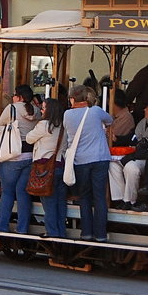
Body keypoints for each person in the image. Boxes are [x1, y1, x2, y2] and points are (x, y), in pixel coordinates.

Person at [63, 84, 114, 241]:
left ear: (72, 99)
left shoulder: (67, 115)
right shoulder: (95, 111)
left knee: (84, 197)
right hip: (99, 158)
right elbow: (110, 120)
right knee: (99, 197)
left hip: (81, 160)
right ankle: (100, 235)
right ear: (87, 98)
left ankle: (86, 232)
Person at [0, 84, 40, 234]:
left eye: (14, 95)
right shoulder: (37, 110)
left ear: (19, 97)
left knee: (7, 192)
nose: (13, 97)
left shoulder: (12, 108)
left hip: (12, 155)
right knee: (23, 192)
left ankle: (2, 225)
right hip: (30, 156)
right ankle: (22, 228)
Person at [26, 98, 67, 238]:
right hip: (60, 166)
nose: (41, 110)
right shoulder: (63, 126)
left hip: (44, 168)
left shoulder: (43, 125)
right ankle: (61, 232)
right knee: (61, 203)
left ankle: (52, 232)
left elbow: (29, 138)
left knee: (48, 204)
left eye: (43, 108)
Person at [110, 99, 148, 211]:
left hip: (145, 159)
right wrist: (117, 139)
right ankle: (120, 198)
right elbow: (132, 138)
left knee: (130, 168)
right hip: (134, 156)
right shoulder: (142, 123)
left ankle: (130, 201)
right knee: (112, 165)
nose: (145, 109)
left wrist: (135, 150)